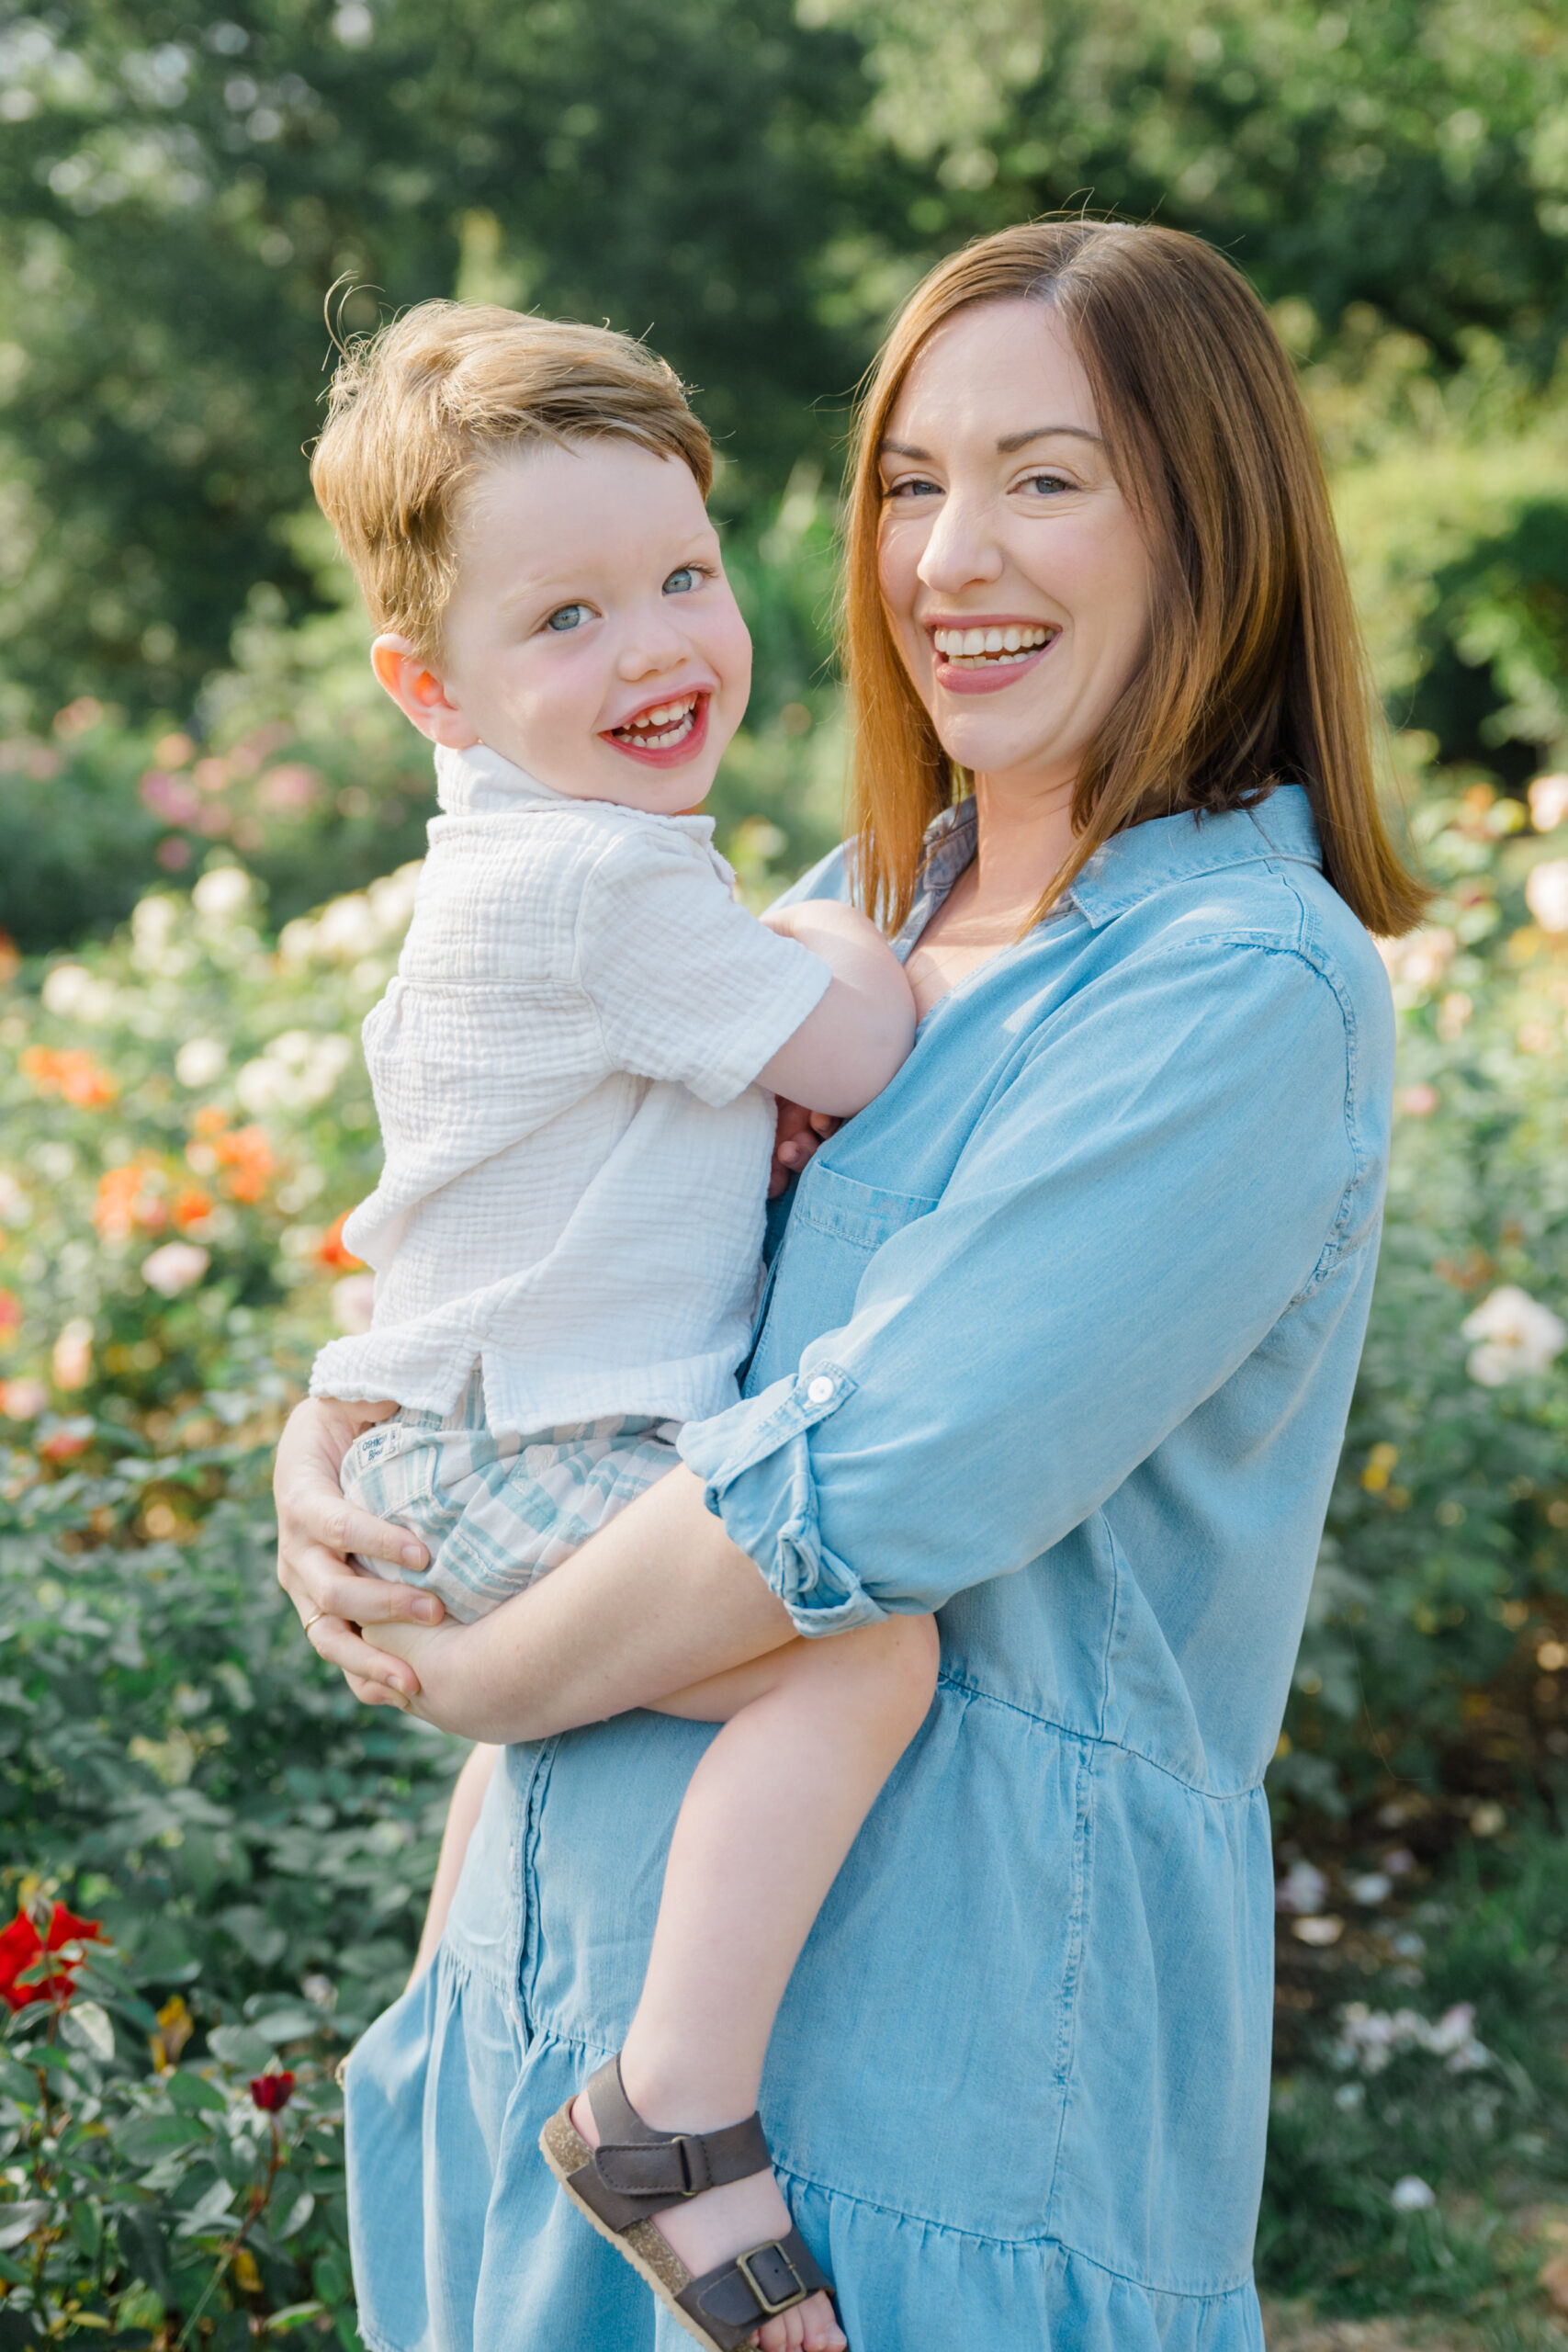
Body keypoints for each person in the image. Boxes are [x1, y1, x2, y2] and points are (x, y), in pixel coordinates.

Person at [276, 219, 1427, 2352]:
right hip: (537, 2018)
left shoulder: (1230, 987)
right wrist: (337, 1432)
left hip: (918, 2121)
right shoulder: (843, 902)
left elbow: (870, 1491)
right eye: (910, 480)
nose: (949, 556)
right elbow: (531, 1232)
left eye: (1045, 477)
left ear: (1216, 520)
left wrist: (488, 1664)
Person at [302, 301, 935, 2351]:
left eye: (680, 576)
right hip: (528, 1444)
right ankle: (677, 2098)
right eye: (564, 617)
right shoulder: (607, 884)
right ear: (434, 689)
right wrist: (836, 921)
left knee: (610, 1717)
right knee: (864, 1643)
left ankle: (477, 2049)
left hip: (465, 1426)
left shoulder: (522, 859)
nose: (657, 645)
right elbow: (859, 1037)